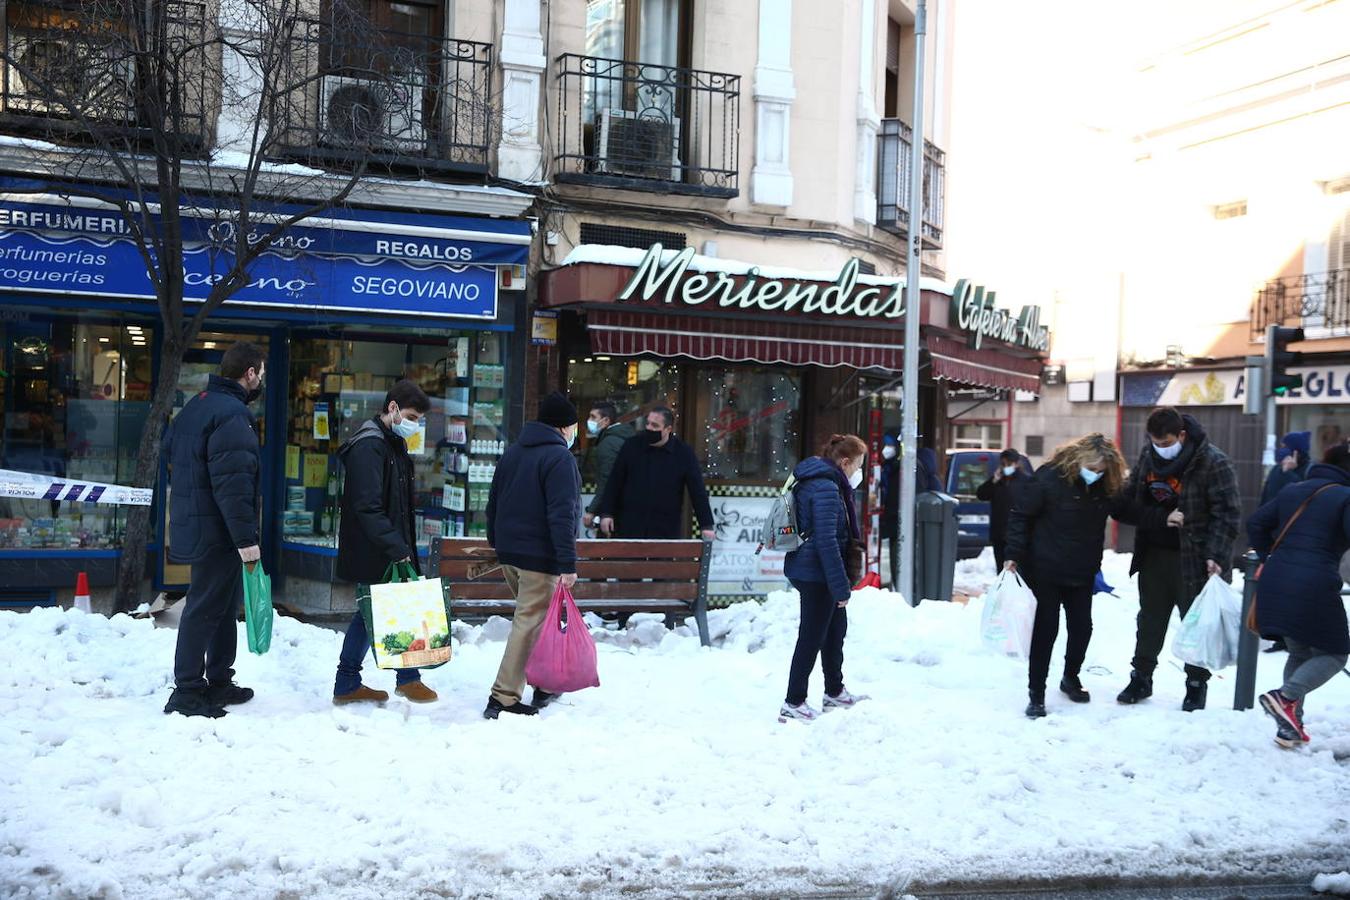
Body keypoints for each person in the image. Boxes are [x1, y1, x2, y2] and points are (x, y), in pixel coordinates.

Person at [162, 341, 265, 718]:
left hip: (199, 522)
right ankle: (188, 690)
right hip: (218, 531)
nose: (261, 380)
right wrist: (246, 540)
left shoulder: (197, 405)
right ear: (250, 372)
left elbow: (171, 452)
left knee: (221, 607)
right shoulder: (233, 414)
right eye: (260, 373)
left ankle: (219, 680)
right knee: (205, 608)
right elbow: (233, 486)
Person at [1116, 408, 1241, 712]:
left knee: (1196, 624)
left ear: (1182, 436)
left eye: (1166, 442)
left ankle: (1196, 685)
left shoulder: (1213, 461)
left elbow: (1228, 514)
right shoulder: (1148, 456)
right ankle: (1141, 677)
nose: (1160, 447)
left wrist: (1216, 554)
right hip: (1154, 555)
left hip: (1195, 558)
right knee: (1149, 620)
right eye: (1155, 441)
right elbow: (1131, 501)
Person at [1004, 434, 1132, 719]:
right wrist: (1013, 554)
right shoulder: (1049, 477)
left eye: (1101, 470)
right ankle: (1036, 693)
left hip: (1082, 570)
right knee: (1045, 632)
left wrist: (1163, 517)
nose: (1095, 474)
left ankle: (1070, 678)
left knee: (1082, 628)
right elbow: (1021, 516)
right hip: (1045, 569)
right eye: (1092, 467)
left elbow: (1129, 511)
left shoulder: (1105, 486)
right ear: (1078, 459)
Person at [331, 380, 437, 705]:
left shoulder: (391, 443)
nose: (414, 424)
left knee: (375, 612)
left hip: (386, 545)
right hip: (376, 548)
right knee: (372, 612)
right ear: (392, 408)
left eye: (419, 419)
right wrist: (397, 547)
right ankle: (392, 679)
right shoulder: (370, 446)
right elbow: (367, 505)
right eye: (411, 416)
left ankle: (367, 681)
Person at [483, 391, 581, 719]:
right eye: (573, 426)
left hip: (510, 552)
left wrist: (497, 542)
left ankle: (544, 682)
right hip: (539, 556)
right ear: (564, 427)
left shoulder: (514, 452)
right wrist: (567, 563)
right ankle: (503, 696)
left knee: (536, 621)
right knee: (529, 622)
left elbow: (493, 501)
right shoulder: (559, 458)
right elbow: (561, 515)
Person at [1248, 443, 1350, 749]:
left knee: (1301, 651)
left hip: (1276, 579)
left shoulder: (1294, 489)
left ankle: (1290, 726)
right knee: (1335, 652)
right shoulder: (1345, 496)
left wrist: (1271, 556)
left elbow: (1255, 523)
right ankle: (1286, 697)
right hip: (1314, 584)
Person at [779, 434, 870, 722]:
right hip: (816, 573)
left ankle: (834, 690)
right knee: (811, 636)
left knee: (834, 631)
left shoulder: (818, 481)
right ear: (844, 462)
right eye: (857, 467)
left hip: (813, 569)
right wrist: (840, 586)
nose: (858, 473)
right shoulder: (827, 488)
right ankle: (793, 702)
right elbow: (826, 542)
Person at [596, 406, 716, 541]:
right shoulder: (632, 446)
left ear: (668, 429)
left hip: (665, 527)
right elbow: (614, 481)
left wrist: (706, 525)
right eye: (647, 423)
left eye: (655, 425)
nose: (649, 428)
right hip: (630, 524)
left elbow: (697, 491)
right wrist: (606, 513)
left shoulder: (683, 453)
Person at [581, 401, 632, 533]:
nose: (589, 421)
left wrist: (592, 511)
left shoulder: (607, 444)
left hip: (614, 513)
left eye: (593, 417)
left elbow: (607, 481)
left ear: (606, 421)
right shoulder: (624, 438)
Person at [976, 449, 1028, 573]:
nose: (1005, 467)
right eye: (1003, 464)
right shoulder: (998, 481)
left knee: (1016, 570)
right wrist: (993, 480)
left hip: (1016, 534)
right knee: (1001, 569)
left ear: (1016, 464)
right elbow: (981, 495)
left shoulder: (1026, 481)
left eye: (1008, 464)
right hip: (999, 533)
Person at [1260, 432, 1312, 505]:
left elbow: (1300, 495)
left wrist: (1288, 473)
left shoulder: (1310, 471)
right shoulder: (1276, 469)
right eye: (1281, 447)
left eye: (1285, 447)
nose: (1281, 450)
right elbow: (1265, 498)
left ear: (1297, 452)